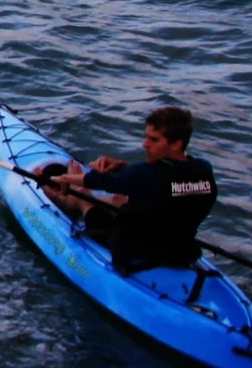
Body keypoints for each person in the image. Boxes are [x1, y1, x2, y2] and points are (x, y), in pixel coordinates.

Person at [32, 105, 217, 271]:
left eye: (154, 140)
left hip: (133, 249)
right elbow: (156, 178)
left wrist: (63, 178)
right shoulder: (203, 169)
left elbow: (96, 180)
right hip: (180, 249)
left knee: (82, 195)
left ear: (176, 144)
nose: (145, 144)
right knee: (118, 200)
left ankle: (72, 201)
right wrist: (122, 166)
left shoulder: (145, 175)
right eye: (146, 137)